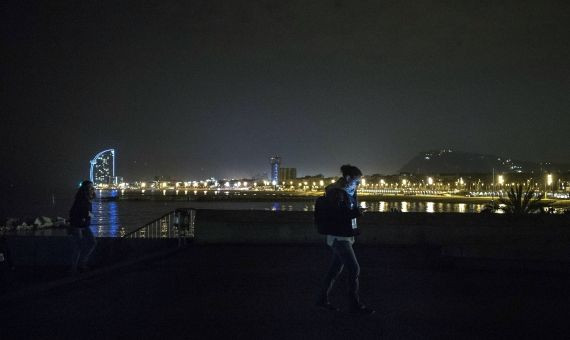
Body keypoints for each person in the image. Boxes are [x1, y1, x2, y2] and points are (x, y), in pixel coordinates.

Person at [316, 164, 375, 314]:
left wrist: (356, 209)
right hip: (339, 237)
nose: (358, 183)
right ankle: (354, 305)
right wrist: (357, 212)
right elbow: (337, 216)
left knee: (333, 271)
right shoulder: (336, 193)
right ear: (348, 178)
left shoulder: (348, 192)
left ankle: (321, 300)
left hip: (344, 235)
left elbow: (345, 212)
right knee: (354, 268)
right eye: (356, 180)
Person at [68, 180, 97, 273]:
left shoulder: (88, 199)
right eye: (90, 188)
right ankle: (74, 268)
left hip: (84, 225)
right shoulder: (81, 199)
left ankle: (82, 263)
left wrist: (90, 215)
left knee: (92, 242)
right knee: (78, 247)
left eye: (92, 187)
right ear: (85, 189)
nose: (92, 189)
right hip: (77, 226)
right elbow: (73, 213)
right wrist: (86, 216)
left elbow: (89, 213)